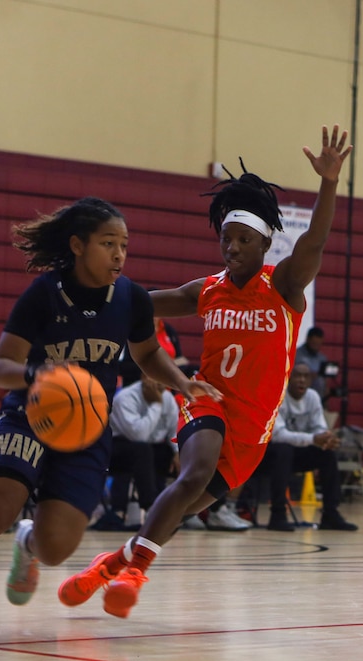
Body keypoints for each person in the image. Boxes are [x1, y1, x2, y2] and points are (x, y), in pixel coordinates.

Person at [0, 196, 220, 647]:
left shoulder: (132, 299)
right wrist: (39, 374)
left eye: (124, 245)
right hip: (30, 417)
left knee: (57, 548)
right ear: (78, 246)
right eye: (108, 243)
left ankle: (27, 543)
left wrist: (181, 381)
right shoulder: (44, 294)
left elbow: (147, 354)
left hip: (88, 429)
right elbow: (0, 367)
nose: (119, 254)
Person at [57, 124, 353, 619]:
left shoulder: (283, 286)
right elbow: (138, 304)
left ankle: (109, 566)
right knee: (193, 474)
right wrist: (88, 295)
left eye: (242, 240)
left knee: (183, 506)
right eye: (225, 239)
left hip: (252, 429)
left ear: (264, 245)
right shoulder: (207, 290)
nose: (231, 248)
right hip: (204, 398)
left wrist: (328, 182)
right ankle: (134, 574)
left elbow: (314, 244)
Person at [244, 362, 357, 532]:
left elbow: (319, 426)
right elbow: (278, 435)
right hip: (269, 456)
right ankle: (278, 514)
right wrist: (313, 438)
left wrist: (326, 438)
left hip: (297, 454)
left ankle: (330, 514)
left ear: (311, 381)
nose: (301, 380)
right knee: (284, 449)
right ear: (288, 378)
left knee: (327, 453)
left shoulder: (312, 397)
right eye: (297, 375)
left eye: (306, 376)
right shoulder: (278, 395)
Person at [107, 373, 180, 523]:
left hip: (149, 447)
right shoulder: (125, 398)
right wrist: (156, 405)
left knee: (183, 454)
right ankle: (150, 507)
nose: (159, 382)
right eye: (155, 377)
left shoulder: (168, 398)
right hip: (117, 449)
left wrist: (178, 453)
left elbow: (174, 430)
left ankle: (182, 511)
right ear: (144, 378)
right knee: (143, 450)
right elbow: (139, 435)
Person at [295, 326, 329, 399]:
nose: (316, 347)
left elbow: (325, 379)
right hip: (298, 390)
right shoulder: (296, 354)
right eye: (314, 344)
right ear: (308, 339)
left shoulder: (322, 358)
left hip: (318, 393)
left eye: (318, 345)